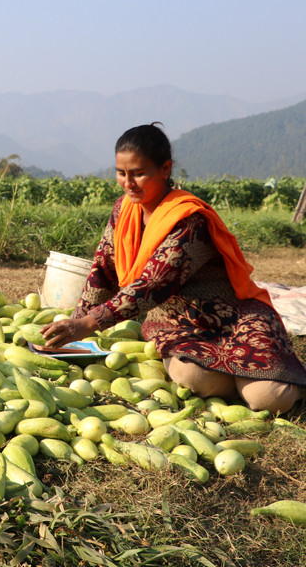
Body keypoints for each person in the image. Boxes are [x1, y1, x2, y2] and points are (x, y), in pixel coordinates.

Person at [41, 123, 305, 414]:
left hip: (235, 318)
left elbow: (153, 284)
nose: (129, 183)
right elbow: (103, 270)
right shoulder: (123, 211)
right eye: (121, 173)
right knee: (195, 377)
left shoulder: (189, 220)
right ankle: (237, 379)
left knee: (270, 399)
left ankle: (256, 381)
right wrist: (74, 332)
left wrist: (88, 324)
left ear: (165, 169)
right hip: (179, 322)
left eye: (139, 173)